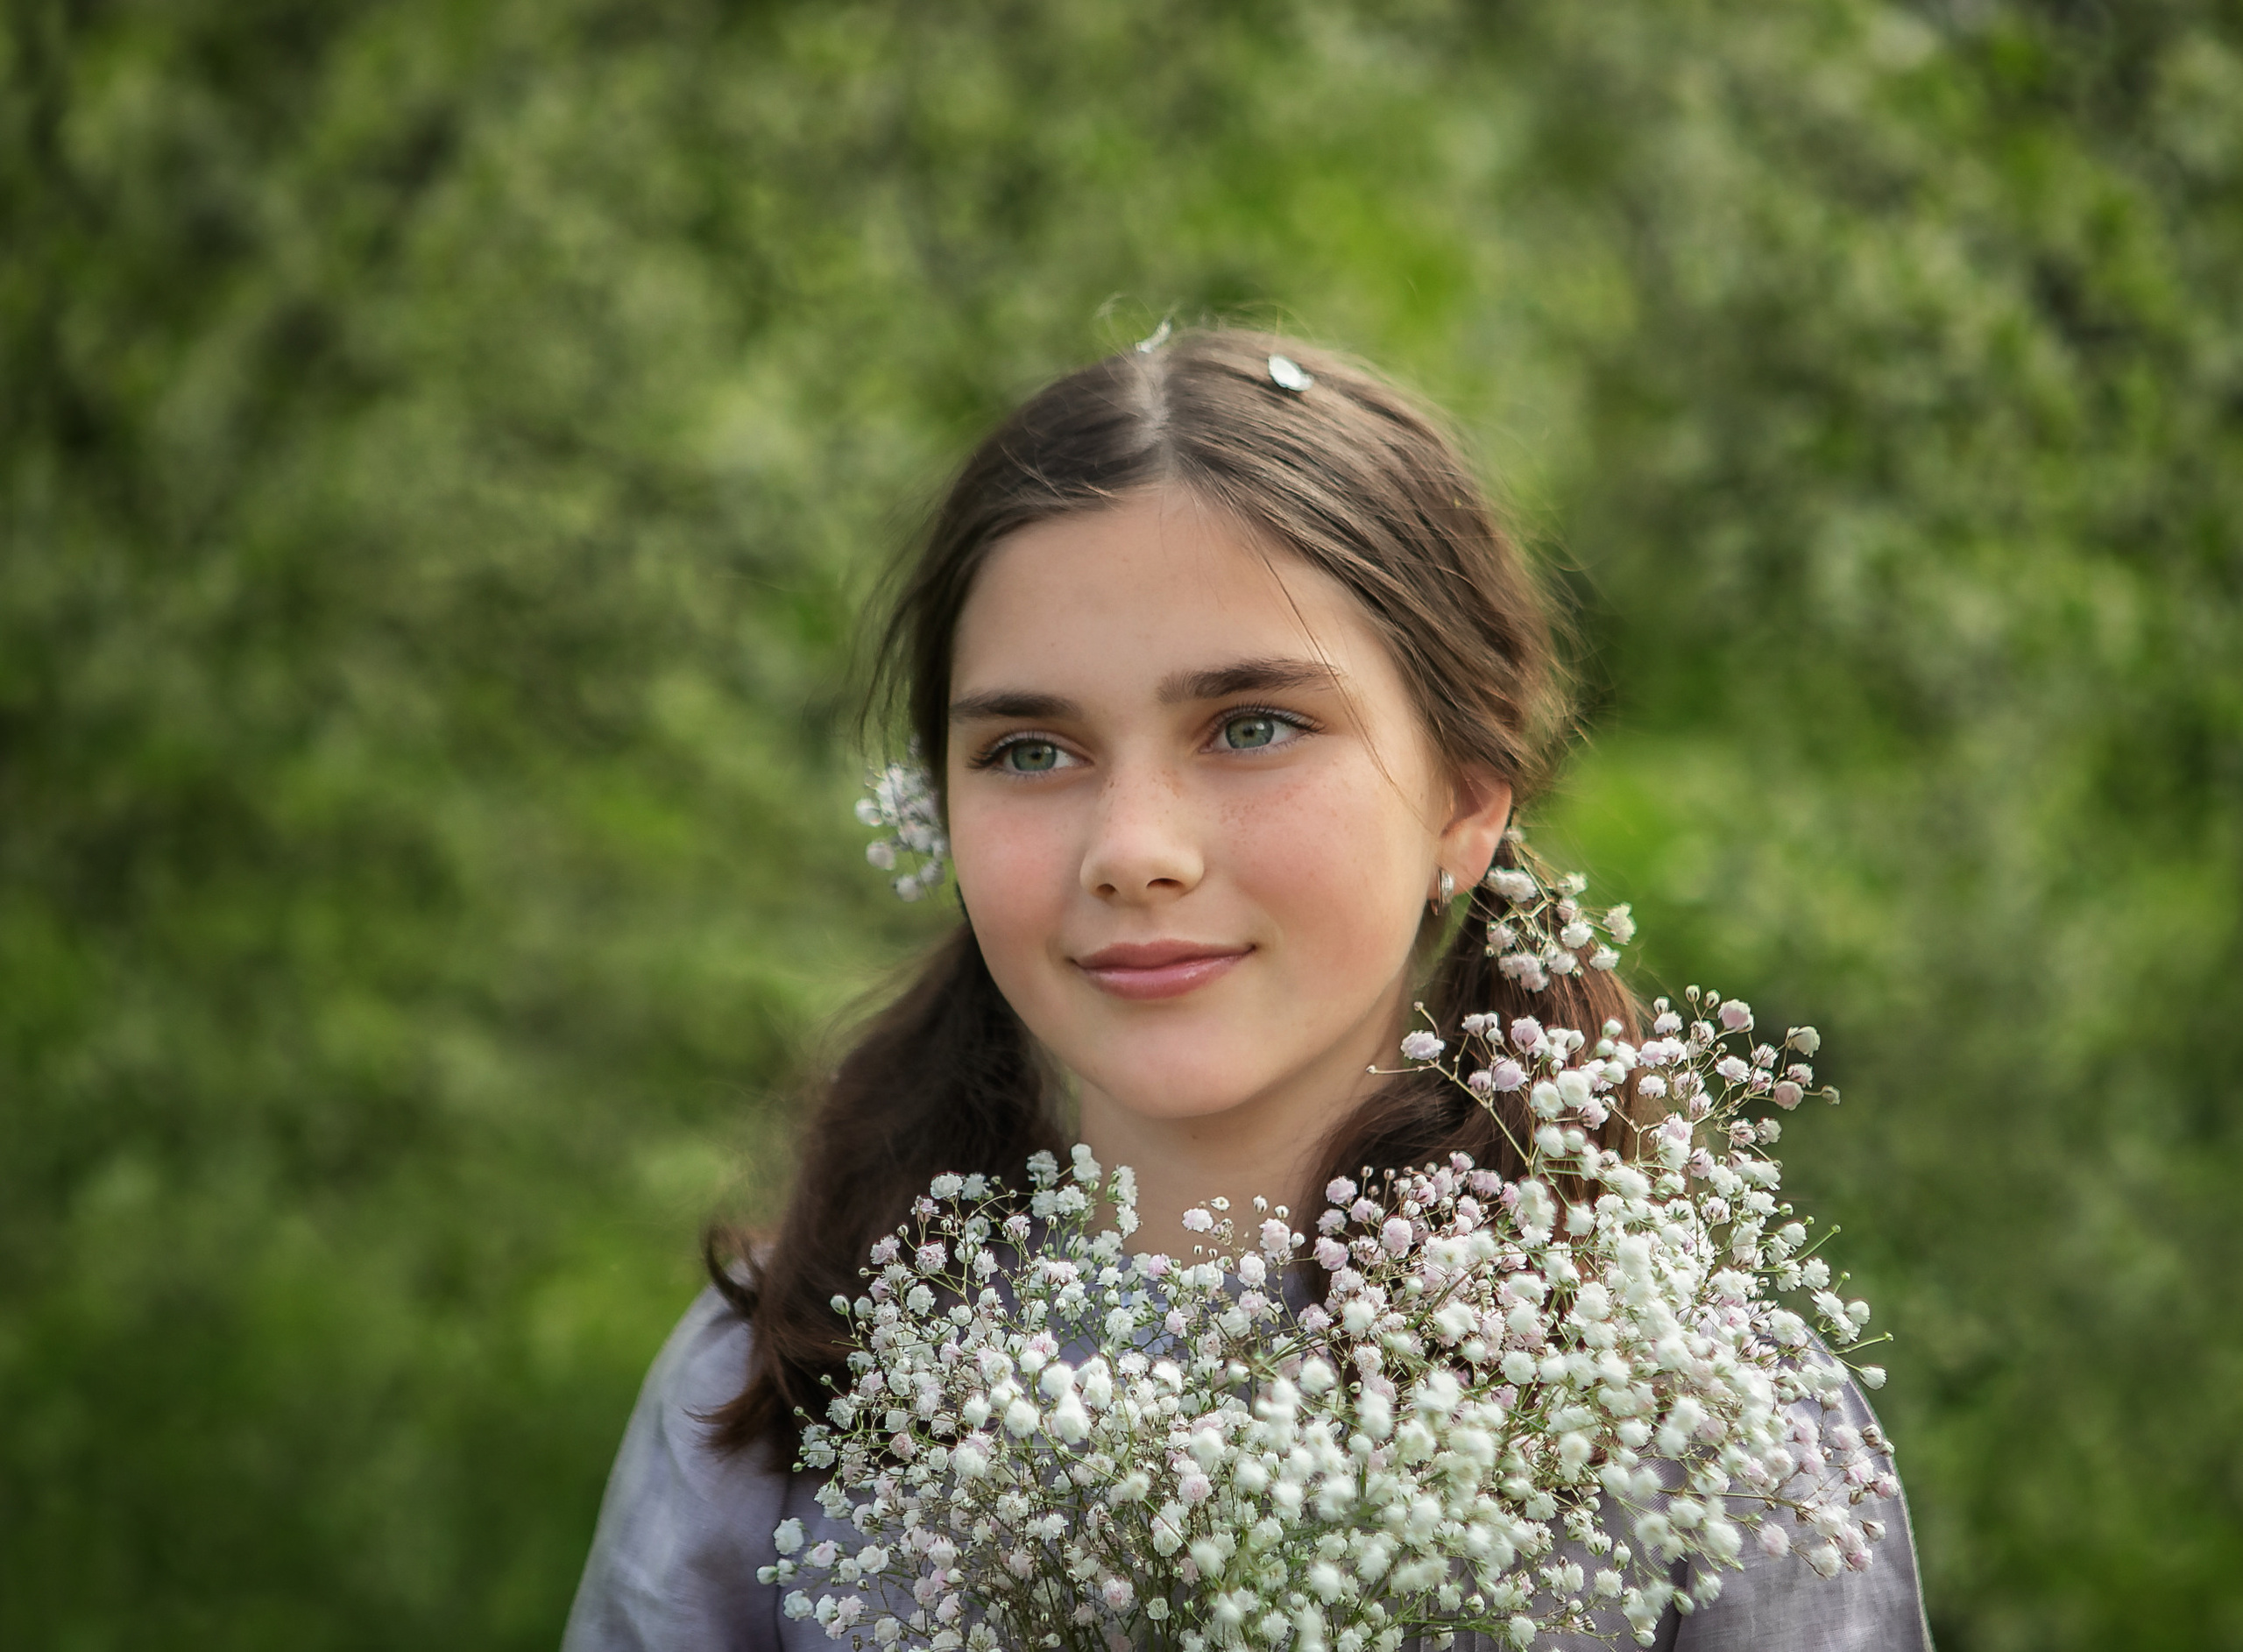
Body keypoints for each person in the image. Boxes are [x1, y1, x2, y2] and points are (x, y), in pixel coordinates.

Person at [562, 329, 1932, 1651]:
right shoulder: (787, 1366)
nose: (1135, 850)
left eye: (1254, 727)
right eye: (1032, 749)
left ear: (1466, 797)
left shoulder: (1706, 1421)